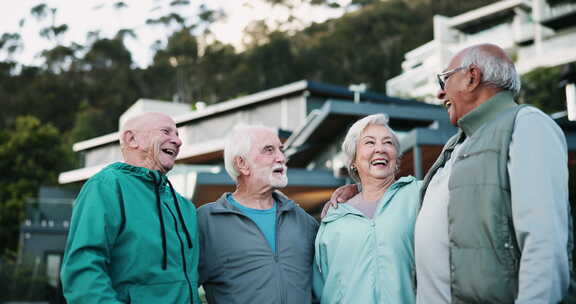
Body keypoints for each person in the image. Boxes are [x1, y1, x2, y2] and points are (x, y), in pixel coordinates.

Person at [414, 43, 573, 303]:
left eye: (445, 79)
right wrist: (355, 189)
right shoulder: (454, 147)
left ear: (472, 77)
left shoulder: (527, 124)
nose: (440, 93)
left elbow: (545, 248)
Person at [60, 112, 201, 304]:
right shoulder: (106, 187)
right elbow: (82, 272)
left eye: (177, 134)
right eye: (166, 131)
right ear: (132, 139)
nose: (177, 141)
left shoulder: (185, 207)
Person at [197, 124, 319, 304]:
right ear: (242, 164)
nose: (281, 158)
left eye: (281, 150)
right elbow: (183, 286)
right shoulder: (206, 221)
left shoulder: (302, 220)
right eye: (269, 150)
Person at [313, 114, 420, 304]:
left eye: (388, 143)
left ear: (397, 157)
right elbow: (322, 287)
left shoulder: (420, 194)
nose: (380, 149)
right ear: (353, 160)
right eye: (369, 143)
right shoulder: (334, 218)